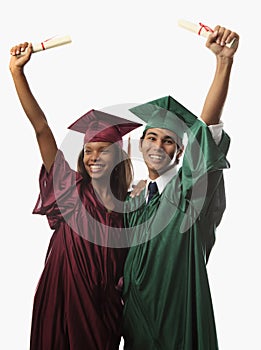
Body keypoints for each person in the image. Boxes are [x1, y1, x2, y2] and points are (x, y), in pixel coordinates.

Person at [9, 42, 141, 350]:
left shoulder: (130, 208)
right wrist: (18, 72)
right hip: (63, 297)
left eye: (103, 150)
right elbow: (41, 128)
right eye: (89, 150)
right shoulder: (70, 189)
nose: (94, 156)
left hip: (103, 309)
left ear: (118, 157)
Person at [122, 25, 239, 349]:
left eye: (170, 140)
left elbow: (208, 132)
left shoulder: (187, 196)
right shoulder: (133, 204)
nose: (159, 145)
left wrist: (223, 64)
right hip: (134, 331)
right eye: (152, 137)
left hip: (176, 327)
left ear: (182, 152)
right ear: (140, 144)